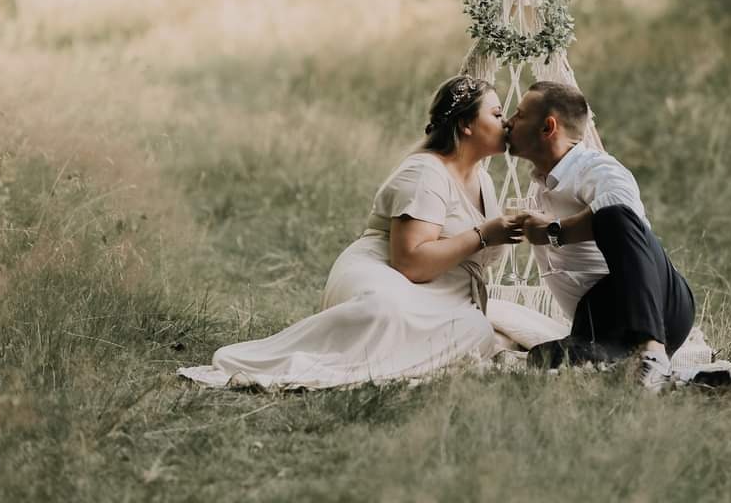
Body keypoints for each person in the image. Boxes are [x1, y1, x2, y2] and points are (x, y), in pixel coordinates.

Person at [179, 75, 522, 389]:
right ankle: (303, 362)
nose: (505, 122)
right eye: (496, 114)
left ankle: (392, 360)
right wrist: (482, 235)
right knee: (383, 310)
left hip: (442, 294)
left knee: (475, 331)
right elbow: (410, 263)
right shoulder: (426, 173)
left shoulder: (482, 180)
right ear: (465, 124)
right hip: (386, 272)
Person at [504, 81, 696, 392]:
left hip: (653, 302)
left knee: (613, 214)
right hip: (598, 322)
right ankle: (688, 383)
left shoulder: (594, 167)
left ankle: (653, 352)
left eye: (519, 114)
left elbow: (622, 211)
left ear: (547, 127)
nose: (509, 122)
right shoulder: (541, 186)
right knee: (545, 358)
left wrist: (554, 231)